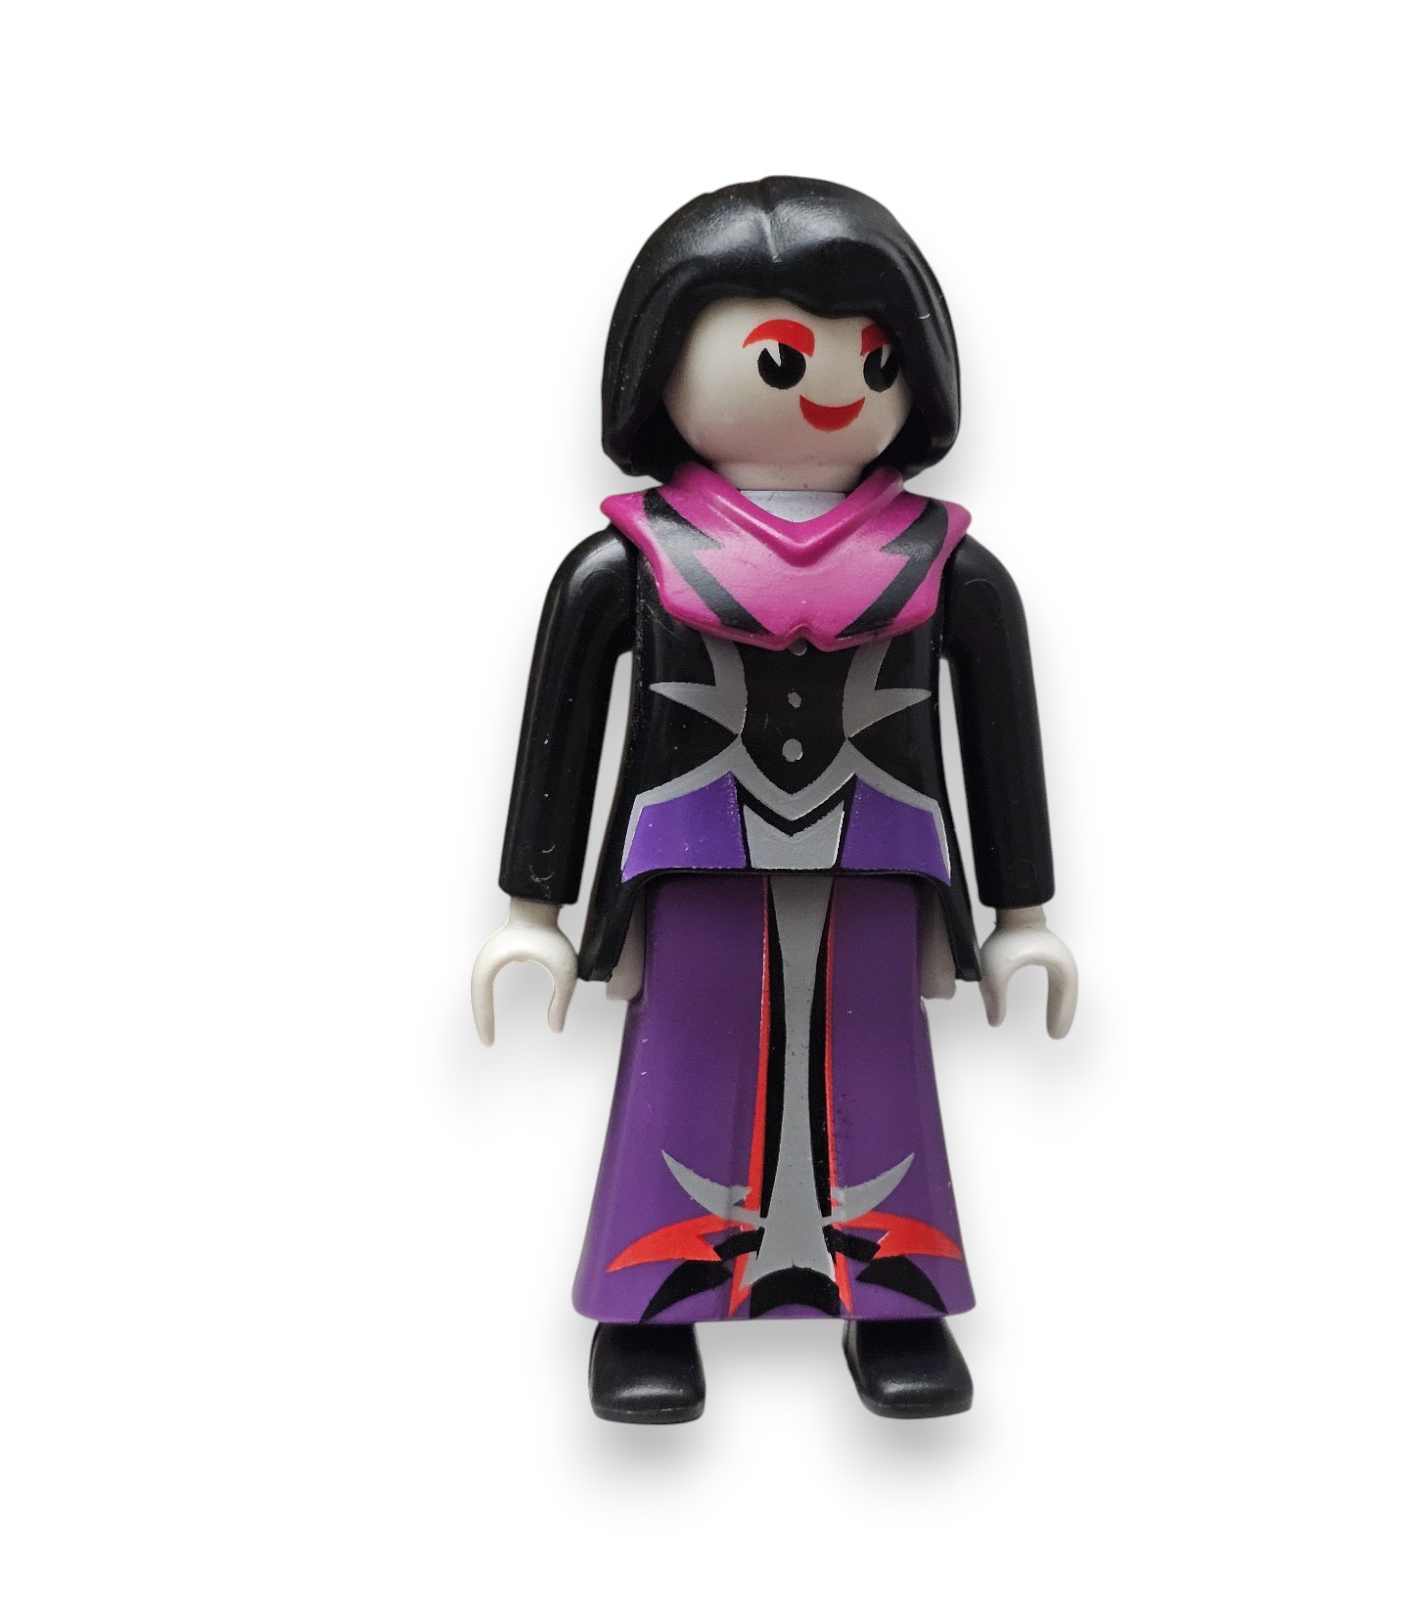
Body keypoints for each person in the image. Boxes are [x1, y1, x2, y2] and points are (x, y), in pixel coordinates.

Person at [472, 176, 1077, 1423]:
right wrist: (533, 907)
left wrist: (1022, 912)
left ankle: (894, 1302)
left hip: (880, 863)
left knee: (879, 1077)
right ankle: (650, 1310)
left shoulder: (943, 567)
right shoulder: (632, 562)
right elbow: (562, 726)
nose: (835, 387)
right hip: (690, 860)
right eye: (784, 357)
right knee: (681, 1074)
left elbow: (1000, 733)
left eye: (873, 353)